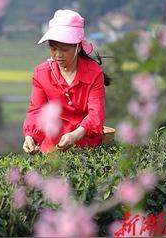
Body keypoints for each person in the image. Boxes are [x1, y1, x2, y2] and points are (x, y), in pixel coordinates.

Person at [22, 9, 111, 154]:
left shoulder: (94, 72)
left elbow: (96, 113)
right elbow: (37, 110)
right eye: (53, 48)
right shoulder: (41, 74)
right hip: (52, 150)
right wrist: (30, 136)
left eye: (64, 49)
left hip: (87, 148)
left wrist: (76, 134)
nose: (58, 55)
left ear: (78, 46)